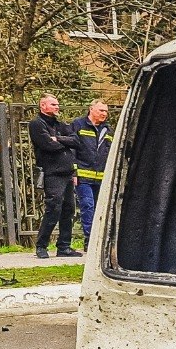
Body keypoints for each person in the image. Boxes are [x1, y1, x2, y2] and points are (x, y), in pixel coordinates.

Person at [27, 93, 82, 259]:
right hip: (52, 172)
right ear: (43, 106)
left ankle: (63, 246)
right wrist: (63, 142)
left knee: (68, 210)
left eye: (57, 104)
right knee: (54, 208)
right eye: (53, 105)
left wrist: (58, 138)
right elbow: (47, 145)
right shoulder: (37, 124)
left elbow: (76, 141)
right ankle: (41, 246)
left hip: (67, 172)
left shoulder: (60, 124)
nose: (57, 107)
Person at [70, 100, 114, 244]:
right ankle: (90, 239)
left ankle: (100, 240)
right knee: (87, 205)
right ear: (91, 109)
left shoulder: (107, 130)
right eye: (101, 110)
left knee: (100, 209)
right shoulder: (78, 124)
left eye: (106, 111)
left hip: (101, 177)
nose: (104, 114)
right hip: (83, 174)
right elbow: (72, 148)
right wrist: (74, 171)